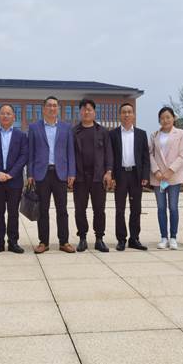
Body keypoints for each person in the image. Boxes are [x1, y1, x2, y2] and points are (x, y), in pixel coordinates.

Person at [27, 96, 76, 254]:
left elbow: (70, 152)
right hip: (41, 174)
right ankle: (43, 242)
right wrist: (30, 173)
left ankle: (64, 242)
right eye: (49, 105)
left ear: (58, 109)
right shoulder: (34, 127)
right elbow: (30, 152)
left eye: (55, 105)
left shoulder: (66, 127)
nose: (52, 108)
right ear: (44, 109)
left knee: (62, 210)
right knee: (43, 210)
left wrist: (71, 172)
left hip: (60, 174)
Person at [0, 104, 28, 254]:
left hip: (14, 181)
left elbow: (24, 156)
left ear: (14, 117)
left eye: (9, 113)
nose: (6, 116)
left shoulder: (21, 136)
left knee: (13, 213)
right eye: (3, 113)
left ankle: (13, 242)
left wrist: (11, 174)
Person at [72, 99, 113, 252]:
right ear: (80, 112)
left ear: (94, 112)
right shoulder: (74, 132)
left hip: (98, 177)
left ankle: (99, 239)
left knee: (99, 209)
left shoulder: (102, 131)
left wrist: (109, 171)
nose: (86, 112)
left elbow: (109, 153)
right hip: (80, 177)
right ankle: (82, 238)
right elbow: (69, 154)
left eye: (89, 109)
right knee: (80, 209)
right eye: (83, 109)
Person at [109, 103, 150, 251]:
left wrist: (145, 175)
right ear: (120, 115)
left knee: (136, 209)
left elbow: (145, 157)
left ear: (133, 115)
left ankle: (134, 238)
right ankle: (121, 239)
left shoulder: (141, 134)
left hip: (136, 175)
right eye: (124, 112)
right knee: (120, 209)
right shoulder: (113, 134)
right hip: (120, 175)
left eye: (129, 112)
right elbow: (110, 157)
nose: (126, 114)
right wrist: (111, 176)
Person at [149, 106, 183, 250]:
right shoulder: (154, 135)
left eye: (168, 117)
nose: (165, 120)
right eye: (162, 118)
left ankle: (173, 237)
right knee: (161, 207)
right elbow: (150, 154)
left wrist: (170, 171)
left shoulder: (180, 133)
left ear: (173, 118)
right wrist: (156, 171)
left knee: (173, 207)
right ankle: (163, 237)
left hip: (173, 177)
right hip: (159, 178)